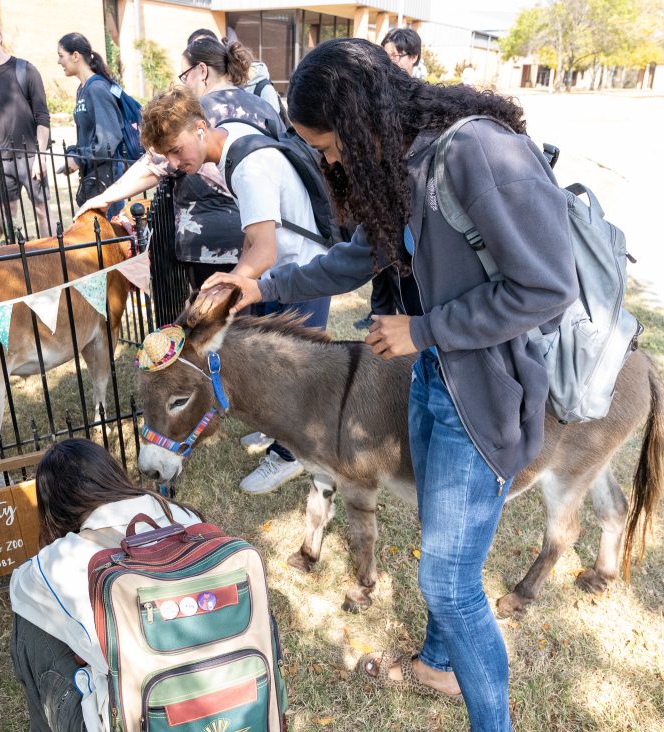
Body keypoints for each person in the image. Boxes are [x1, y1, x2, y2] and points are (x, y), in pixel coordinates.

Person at [200, 38, 578, 730]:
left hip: (486, 391)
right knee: (440, 535)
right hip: (437, 379)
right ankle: (438, 663)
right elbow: (351, 260)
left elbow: (547, 287)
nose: (331, 161)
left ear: (359, 116)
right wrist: (256, 288)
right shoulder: (404, 166)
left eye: (329, 145)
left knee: (447, 580)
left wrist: (422, 330)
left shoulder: (477, 154)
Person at [138, 85, 332, 495]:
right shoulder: (231, 139)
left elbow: (264, 249)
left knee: (296, 374)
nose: (174, 163)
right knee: (267, 366)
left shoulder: (248, 168)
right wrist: (234, 281)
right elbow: (254, 235)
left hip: (301, 272)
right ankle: (272, 430)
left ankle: (290, 453)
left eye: (176, 150)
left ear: (201, 127)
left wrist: (228, 285)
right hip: (279, 273)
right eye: (166, 156)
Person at [9, 439, 202, 732]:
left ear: (56, 509)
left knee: (30, 615)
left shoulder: (61, 559)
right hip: (227, 688)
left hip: (140, 718)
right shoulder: (185, 516)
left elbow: (18, 588)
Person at [78, 36, 282, 289]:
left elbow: (153, 164)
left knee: (219, 323)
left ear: (202, 70)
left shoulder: (195, 112)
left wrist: (106, 197)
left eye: (184, 75)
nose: (184, 84)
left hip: (210, 243)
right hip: (264, 241)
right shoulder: (263, 107)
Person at [350, 26, 427, 331]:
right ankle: (379, 315)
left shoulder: (421, 105)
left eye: (396, 55)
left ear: (414, 58)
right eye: (386, 56)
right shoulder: (377, 102)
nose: (390, 62)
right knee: (381, 264)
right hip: (386, 216)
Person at [0, 13, 52, 237]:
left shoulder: (26, 70)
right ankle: (15, 262)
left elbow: (43, 117)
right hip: (0, 159)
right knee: (8, 215)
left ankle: (51, 257)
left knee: (41, 211)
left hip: (30, 155)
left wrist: (41, 156)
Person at [56, 33, 125, 211]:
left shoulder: (97, 88)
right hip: (94, 176)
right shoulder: (83, 89)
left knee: (112, 237)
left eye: (61, 55)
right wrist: (74, 153)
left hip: (108, 179)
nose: (59, 62)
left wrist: (79, 160)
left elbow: (108, 140)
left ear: (76, 56)